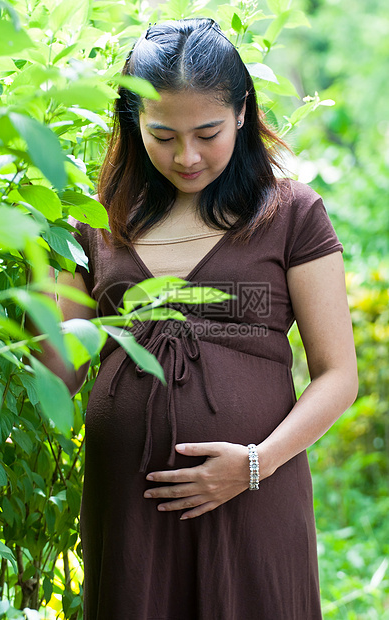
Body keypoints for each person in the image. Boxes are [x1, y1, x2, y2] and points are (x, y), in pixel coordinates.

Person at [49, 18, 358, 619]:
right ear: (132, 121)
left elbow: (338, 375)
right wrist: (45, 257)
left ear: (242, 112)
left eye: (207, 132)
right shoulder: (93, 220)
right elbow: (60, 371)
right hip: (131, 504)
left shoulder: (291, 213)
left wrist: (252, 466)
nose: (186, 156)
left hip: (254, 496)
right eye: (162, 135)